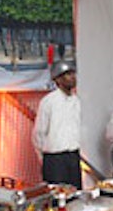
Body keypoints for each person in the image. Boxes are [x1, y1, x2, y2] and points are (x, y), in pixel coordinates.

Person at [32, 60, 81, 188]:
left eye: (73, 74)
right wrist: (45, 157)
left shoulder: (76, 101)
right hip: (55, 159)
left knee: (75, 195)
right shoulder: (49, 102)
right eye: (68, 74)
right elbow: (39, 132)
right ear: (58, 79)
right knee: (57, 199)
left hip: (73, 156)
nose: (73, 77)